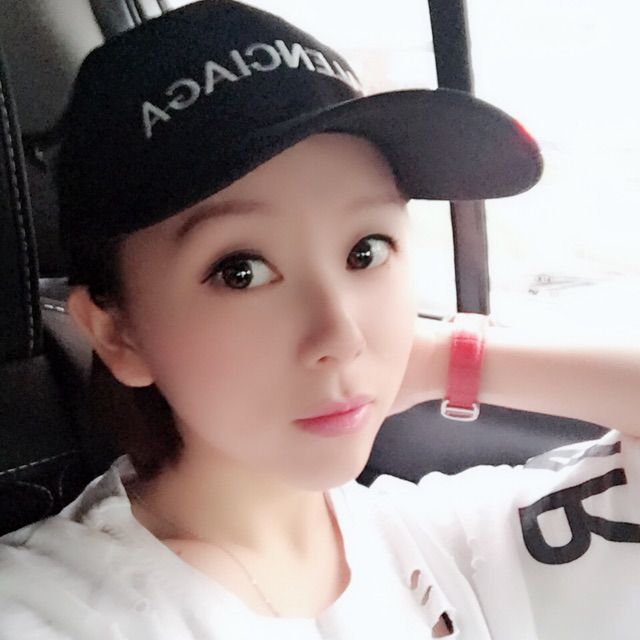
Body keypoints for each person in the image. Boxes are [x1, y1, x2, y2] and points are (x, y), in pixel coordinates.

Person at [0, 1, 638, 638]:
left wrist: (440, 357)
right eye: (241, 271)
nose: (341, 334)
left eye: (367, 251)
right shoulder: (50, 608)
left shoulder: (441, 540)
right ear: (118, 333)